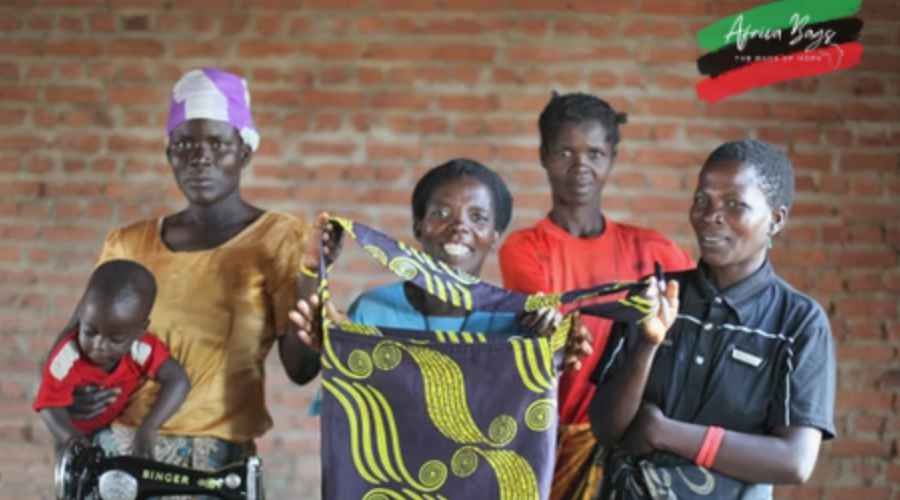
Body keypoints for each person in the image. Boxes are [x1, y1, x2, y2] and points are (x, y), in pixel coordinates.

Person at [47, 68, 319, 471]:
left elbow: (300, 369)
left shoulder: (279, 238)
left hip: (217, 464)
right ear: (169, 153)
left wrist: (313, 279)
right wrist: (75, 399)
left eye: (217, 143)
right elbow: (72, 346)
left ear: (244, 152)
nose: (200, 157)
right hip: (118, 455)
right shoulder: (128, 243)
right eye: (185, 144)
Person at [589, 139, 836, 499]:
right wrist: (647, 344)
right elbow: (606, 428)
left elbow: (793, 461)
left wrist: (664, 431)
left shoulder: (797, 323)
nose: (710, 216)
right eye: (702, 200)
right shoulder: (654, 297)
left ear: (776, 220)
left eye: (735, 205)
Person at [498, 92, 695, 499]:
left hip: (632, 449)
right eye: (565, 151)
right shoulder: (526, 248)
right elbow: (550, 327)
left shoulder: (653, 250)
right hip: (551, 441)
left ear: (612, 157)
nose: (580, 165)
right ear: (543, 156)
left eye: (594, 152)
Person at [291, 158, 592, 363]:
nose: (459, 227)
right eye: (441, 213)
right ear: (418, 227)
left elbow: (525, 408)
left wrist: (552, 346)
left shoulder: (515, 321)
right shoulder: (372, 310)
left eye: (478, 217)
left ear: (493, 235)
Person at [35, 260, 189, 458]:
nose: (99, 344)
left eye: (115, 339)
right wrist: (73, 440)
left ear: (140, 331)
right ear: (81, 314)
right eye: (90, 332)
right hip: (72, 434)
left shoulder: (140, 348)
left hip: (115, 432)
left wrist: (148, 428)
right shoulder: (67, 355)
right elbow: (48, 406)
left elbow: (178, 380)